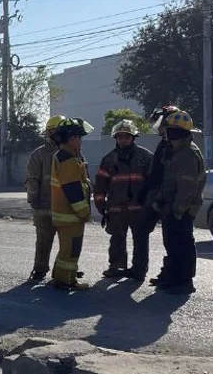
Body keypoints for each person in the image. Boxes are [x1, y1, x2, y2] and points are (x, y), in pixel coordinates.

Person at [93, 119, 154, 279]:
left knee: (140, 240)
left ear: (133, 137)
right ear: (116, 138)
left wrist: (150, 205)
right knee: (117, 240)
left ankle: (139, 270)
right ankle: (116, 267)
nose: (123, 140)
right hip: (116, 209)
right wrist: (100, 203)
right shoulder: (109, 159)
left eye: (126, 136)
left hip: (138, 209)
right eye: (119, 137)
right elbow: (100, 183)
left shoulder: (145, 157)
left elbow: (153, 182)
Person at [156, 110, 206, 295]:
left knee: (182, 244)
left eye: (170, 132)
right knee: (172, 244)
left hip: (182, 209)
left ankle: (184, 281)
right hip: (172, 206)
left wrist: (177, 211)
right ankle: (174, 277)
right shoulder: (175, 150)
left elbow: (187, 189)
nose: (167, 136)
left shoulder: (187, 155)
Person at [49, 117, 94, 291]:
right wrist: (84, 212)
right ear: (72, 139)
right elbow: (73, 190)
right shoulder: (67, 159)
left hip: (64, 215)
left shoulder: (63, 156)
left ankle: (60, 277)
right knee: (71, 251)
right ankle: (67, 281)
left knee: (65, 249)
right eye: (79, 138)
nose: (81, 141)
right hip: (70, 216)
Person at [135, 106, 179, 286]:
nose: (157, 127)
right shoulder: (164, 143)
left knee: (170, 237)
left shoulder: (176, 145)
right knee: (140, 230)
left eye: (159, 122)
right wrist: (144, 193)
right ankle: (138, 270)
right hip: (154, 194)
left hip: (167, 196)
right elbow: (155, 172)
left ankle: (170, 274)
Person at [24, 115, 65, 281]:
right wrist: (33, 199)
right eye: (57, 130)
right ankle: (39, 269)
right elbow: (32, 178)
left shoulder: (72, 152)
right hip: (44, 207)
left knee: (66, 243)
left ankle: (61, 273)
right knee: (43, 241)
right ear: (50, 132)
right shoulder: (39, 154)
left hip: (65, 208)